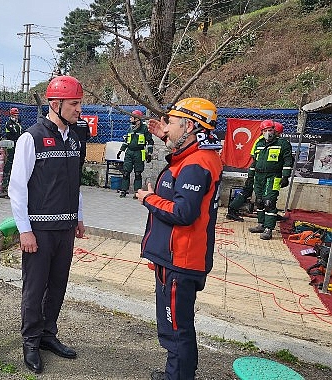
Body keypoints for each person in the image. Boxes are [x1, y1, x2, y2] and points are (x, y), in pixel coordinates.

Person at [135, 97, 223, 380]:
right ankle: (176, 374)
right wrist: (168, 138)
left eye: (171, 123)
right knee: (176, 327)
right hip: (176, 257)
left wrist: (149, 199)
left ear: (190, 126)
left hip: (181, 260)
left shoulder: (197, 164)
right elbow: (179, 164)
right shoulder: (194, 156)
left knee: (176, 330)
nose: (165, 127)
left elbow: (184, 212)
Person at [8, 75, 85, 374]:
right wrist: (24, 229)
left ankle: (47, 335)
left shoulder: (75, 138)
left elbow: (75, 183)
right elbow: (17, 187)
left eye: (79, 103)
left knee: (57, 286)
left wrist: (78, 216)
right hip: (38, 230)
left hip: (65, 229)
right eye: (74, 104)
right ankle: (30, 342)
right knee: (34, 288)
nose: (79, 109)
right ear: (55, 104)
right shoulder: (32, 138)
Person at [247, 119, 293, 240]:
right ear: (262, 132)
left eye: (270, 130)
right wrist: (250, 176)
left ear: (274, 130)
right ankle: (261, 224)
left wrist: (285, 176)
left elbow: (288, 160)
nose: (268, 133)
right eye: (265, 130)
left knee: (269, 202)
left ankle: (269, 228)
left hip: (273, 177)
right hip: (259, 177)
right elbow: (254, 161)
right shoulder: (259, 143)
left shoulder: (283, 144)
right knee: (259, 201)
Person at [118, 109, 154, 199]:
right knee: (126, 172)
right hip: (129, 152)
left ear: (137, 118)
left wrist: (149, 153)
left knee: (138, 173)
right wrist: (121, 150)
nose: (130, 119)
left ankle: (137, 192)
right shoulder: (130, 128)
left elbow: (150, 141)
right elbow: (126, 141)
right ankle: (123, 190)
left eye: (132, 117)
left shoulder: (145, 129)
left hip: (139, 152)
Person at [3, 107, 22, 186]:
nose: (16, 117)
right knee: (10, 159)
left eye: (17, 115)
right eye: (14, 115)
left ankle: (12, 174)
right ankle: (6, 174)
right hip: (11, 143)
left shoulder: (17, 123)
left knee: (16, 159)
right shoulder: (9, 123)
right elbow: (14, 133)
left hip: (17, 143)